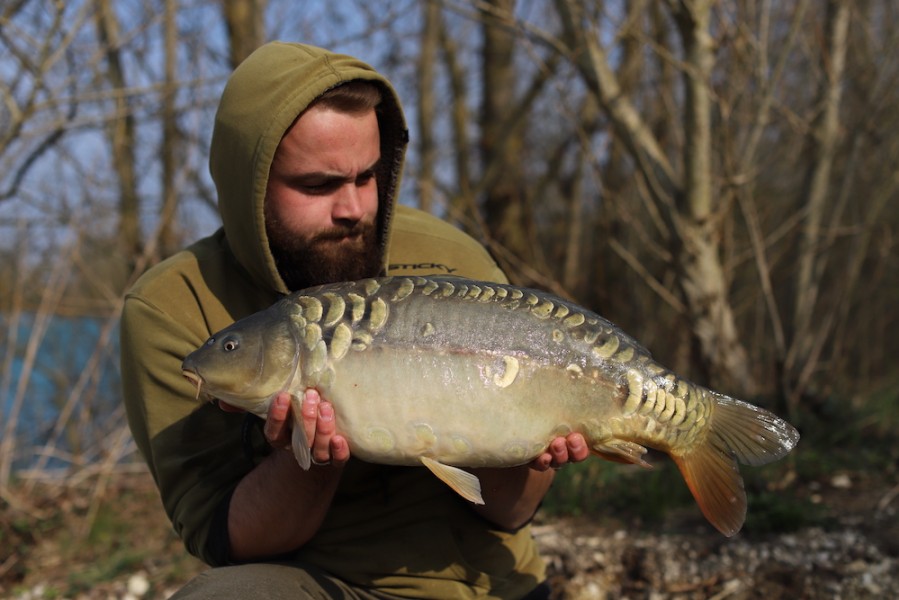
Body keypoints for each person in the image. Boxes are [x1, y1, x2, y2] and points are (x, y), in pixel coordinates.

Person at [120, 41, 588, 599]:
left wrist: (534, 454)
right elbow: (228, 540)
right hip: (326, 586)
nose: (353, 210)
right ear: (247, 188)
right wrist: (310, 459)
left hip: (495, 584)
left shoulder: (449, 257)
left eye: (367, 176)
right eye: (318, 185)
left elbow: (511, 513)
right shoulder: (175, 305)